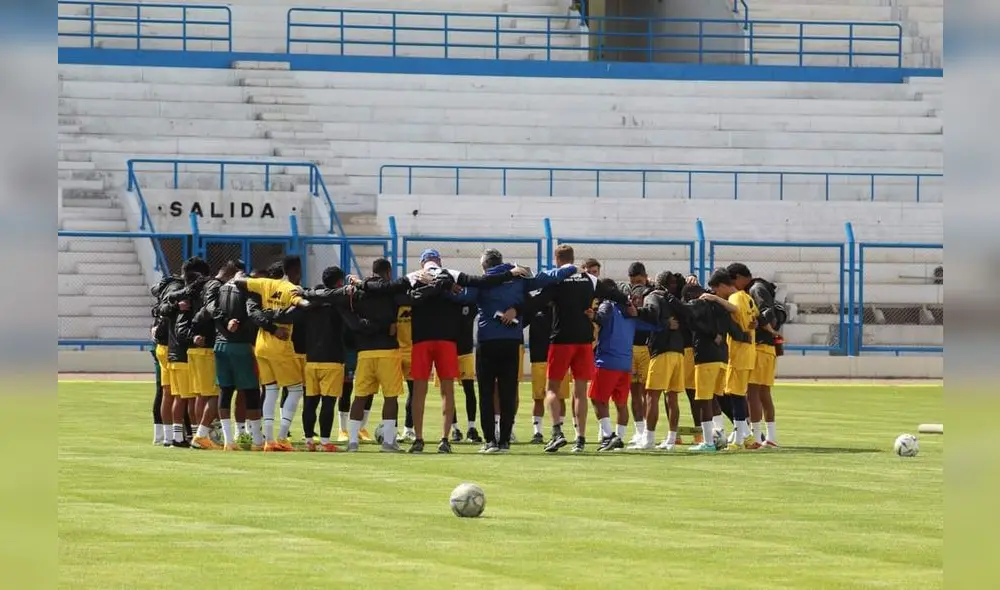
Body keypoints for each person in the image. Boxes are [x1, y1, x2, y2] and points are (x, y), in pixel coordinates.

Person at [455, 248, 574, 453]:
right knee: (508, 392)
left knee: (486, 392)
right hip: (512, 341)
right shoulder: (518, 277)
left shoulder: (483, 282)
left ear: (484, 266)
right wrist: (570, 268)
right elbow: (546, 277)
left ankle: (490, 440)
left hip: (487, 341)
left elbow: (462, 297)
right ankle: (504, 441)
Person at [540, 245, 632, 453]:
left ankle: (557, 433)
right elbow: (612, 293)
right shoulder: (588, 279)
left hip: (562, 339)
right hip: (584, 340)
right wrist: (627, 302)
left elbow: (538, 301)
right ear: (573, 258)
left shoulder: (556, 278)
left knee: (552, 388)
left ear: (557, 259)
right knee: (580, 392)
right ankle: (580, 439)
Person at [231, 256, 305, 452]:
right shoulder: (291, 288)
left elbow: (238, 282)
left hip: (261, 344)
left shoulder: (264, 284)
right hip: (280, 345)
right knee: (296, 389)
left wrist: (240, 273)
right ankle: (282, 437)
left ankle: (269, 440)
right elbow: (301, 306)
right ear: (295, 270)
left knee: (270, 390)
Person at [591, 280, 660, 452]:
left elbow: (601, 318)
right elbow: (652, 325)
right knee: (621, 403)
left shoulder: (608, 306)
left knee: (597, 399)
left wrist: (592, 316)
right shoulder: (631, 312)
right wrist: (667, 324)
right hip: (625, 364)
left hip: (607, 361)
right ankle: (619, 438)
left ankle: (608, 436)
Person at [700, 267, 759, 451]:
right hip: (748, 352)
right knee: (737, 395)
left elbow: (735, 309)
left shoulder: (734, 298)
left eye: (716, 290)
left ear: (722, 285)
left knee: (737, 397)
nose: (716, 293)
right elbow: (755, 315)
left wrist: (715, 299)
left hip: (738, 353)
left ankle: (739, 440)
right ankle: (746, 436)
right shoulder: (746, 296)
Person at [298, 266, 354, 452]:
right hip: (332, 359)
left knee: (310, 402)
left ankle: (308, 440)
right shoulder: (339, 303)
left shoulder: (310, 302)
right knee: (328, 402)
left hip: (311, 358)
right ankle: (324, 442)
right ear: (339, 282)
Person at [729, 263, 784, 448]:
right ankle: (771, 436)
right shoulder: (760, 287)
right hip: (767, 348)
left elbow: (767, 314)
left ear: (739, 277)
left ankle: (757, 437)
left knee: (752, 392)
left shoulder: (755, 289)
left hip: (760, 347)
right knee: (763, 392)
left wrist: (757, 323)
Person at [186, 261, 239, 450]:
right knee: (212, 393)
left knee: (203, 394)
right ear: (232, 273)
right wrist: (225, 321)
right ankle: (202, 436)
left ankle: (201, 435)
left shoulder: (205, 285)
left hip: (200, 344)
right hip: (207, 346)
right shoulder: (216, 286)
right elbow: (209, 309)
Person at [213, 261, 265, 451]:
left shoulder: (219, 289)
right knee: (251, 392)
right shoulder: (247, 289)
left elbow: (212, 312)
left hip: (220, 344)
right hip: (241, 345)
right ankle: (257, 440)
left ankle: (229, 440)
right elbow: (252, 314)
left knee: (225, 391)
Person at [633, 271, 685, 450]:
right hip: (679, 351)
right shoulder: (675, 299)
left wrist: (637, 312)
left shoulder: (653, 296)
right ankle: (671, 439)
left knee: (652, 396)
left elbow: (652, 314)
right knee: (672, 397)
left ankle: (648, 439)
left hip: (662, 350)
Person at [161, 257, 209, 448]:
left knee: (180, 396)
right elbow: (180, 329)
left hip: (173, 352)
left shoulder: (176, 294)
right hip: (182, 354)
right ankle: (190, 436)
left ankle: (178, 437)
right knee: (188, 397)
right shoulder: (184, 297)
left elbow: (162, 307)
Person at [683, 273, 733, 453]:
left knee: (703, 400)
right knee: (713, 398)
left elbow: (692, 321)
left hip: (706, 358)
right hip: (722, 357)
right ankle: (720, 434)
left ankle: (708, 442)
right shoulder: (720, 306)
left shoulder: (697, 306)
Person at [526, 293, 570, 444]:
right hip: (538, 358)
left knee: (560, 397)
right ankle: (537, 432)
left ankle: (558, 430)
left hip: (559, 358)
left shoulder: (562, 308)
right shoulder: (534, 307)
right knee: (538, 397)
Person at [150, 274, 185, 446]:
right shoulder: (178, 289)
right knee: (179, 393)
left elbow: (158, 309)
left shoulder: (163, 291)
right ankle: (179, 436)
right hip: (172, 346)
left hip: (161, 346)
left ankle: (164, 436)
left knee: (165, 391)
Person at [626, 262, 653, 446]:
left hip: (647, 346)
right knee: (633, 392)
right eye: (634, 281)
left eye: (640, 281)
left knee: (647, 392)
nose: (637, 284)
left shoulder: (652, 292)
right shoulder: (625, 292)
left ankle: (648, 432)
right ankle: (639, 430)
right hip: (629, 346)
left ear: (645, 277)